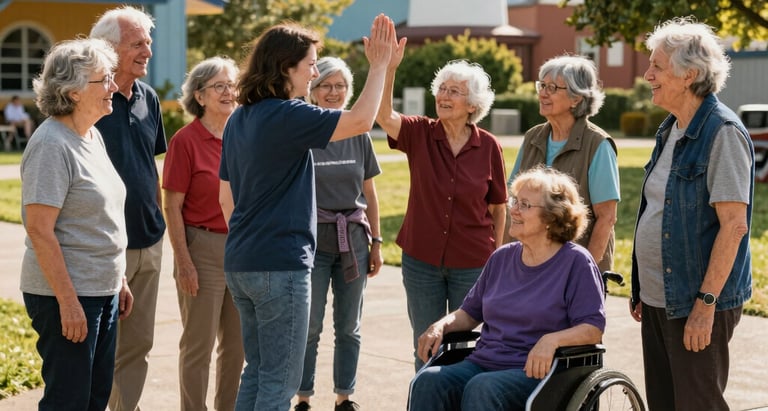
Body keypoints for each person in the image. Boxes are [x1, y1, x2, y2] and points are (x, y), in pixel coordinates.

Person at [218, 14, 396, 411]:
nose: (316, 72)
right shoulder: (286, 114)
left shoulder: (239, 118)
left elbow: (224, 197)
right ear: (287, 68)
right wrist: (380, 66)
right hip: (279, 265)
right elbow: (361, 121)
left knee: (258, 371)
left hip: (241, 262)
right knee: (280, 383)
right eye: (312, 63)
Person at [629, 17, 754, 411]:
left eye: (657, 67)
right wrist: (640, 288)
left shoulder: (722, 133)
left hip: (695, 302)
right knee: (665, 404)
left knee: (697, 405)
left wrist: (705, 304)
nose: (647, 74)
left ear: (691, 75)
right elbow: (657, 209)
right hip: (657, 298)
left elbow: (733, 226)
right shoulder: (671, 129)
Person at [408, 167, 606, 411]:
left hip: (541, 372)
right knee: (430, 381)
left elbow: (592, 329)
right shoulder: (501, 258)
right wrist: (441, 325)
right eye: (515, 201)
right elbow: (469, 313)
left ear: (552, 217)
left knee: (483, 387)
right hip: (483, 362)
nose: (513, 210)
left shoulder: (576, 262)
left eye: (525, 204)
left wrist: (552, 340)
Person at [376, 52, 508, 370]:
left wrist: (499, 260)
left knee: (463, 350)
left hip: (473, 264)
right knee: (425, 346)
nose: (444, 96)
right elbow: (383, 116)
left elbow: (498, 208)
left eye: (454, 91)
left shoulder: (489, 146)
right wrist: (388, 69)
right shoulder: (419, 132)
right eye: (442, 89)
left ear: (473, 105)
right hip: (421, 262)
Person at [20, 38, 132, 411]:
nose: (114, 87)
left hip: (101, 290)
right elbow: (39, 228)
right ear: (72, 91)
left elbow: (104, 216)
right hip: (66, 295)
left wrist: (119, 279)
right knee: (69, 402)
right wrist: (68, 303)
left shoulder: (92, 136)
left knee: (95, 398)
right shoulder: (51, 144)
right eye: (105, 79)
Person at [294, 56, 384, 411]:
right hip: (313, 241)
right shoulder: (303, 132)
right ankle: (303, 397)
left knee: (349, 327)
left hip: (355, 241)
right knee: (310, 326)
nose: (333, 92)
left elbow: (370, 192)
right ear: (313, 92)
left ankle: (344, 396)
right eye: (326, 86)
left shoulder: (358, 133)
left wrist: (376, 242)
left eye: (340, 86)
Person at [89, 6, 167, 410]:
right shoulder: (86, 98)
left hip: (148, 240)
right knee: (97, 349)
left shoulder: (148, 98)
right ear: (108, 48)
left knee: (138, 346)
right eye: (138, 43)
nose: (148, 52)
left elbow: (149, 166)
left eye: (149, 43)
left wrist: (158, 217)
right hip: (102, 246)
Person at [162, 56, 244, 411]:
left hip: (242, 249)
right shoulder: (186, 141)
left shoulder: (244, 134)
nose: (229, 92)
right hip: (202, 247)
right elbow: (171, 206)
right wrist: (184, 261)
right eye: (219, 86)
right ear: (199, 95)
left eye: (232, 85)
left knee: (237, 346)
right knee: (199, 345)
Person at [506, 54, 619, 273]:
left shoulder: (597, 144)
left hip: (575, 266)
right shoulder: (533, 137)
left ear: (576, 98)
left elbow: (606, 218)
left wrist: (586, 270)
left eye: (553, 88)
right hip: (530, 263)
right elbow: (513, 201)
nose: (543, 93)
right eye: (542, 85)